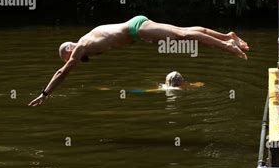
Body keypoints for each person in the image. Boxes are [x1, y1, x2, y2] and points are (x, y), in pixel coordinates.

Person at [28, 16, 248, 106]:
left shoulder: (82, 45)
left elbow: (62, 73)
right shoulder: (87, 41)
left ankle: (227, 46)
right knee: (185, 32)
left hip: (136, 28)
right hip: (138, 29)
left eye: (66, 56)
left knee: (183, 35)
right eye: (67, 57)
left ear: (69, 49)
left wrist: (45, 93)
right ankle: (229, 36)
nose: (69, 59)